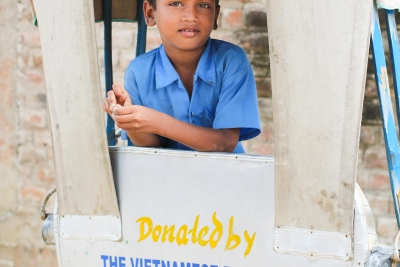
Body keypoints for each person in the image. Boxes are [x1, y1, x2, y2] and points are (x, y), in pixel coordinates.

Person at [102, 0, 260, 153]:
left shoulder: (231, 61)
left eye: (203, 5)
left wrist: (156, 122)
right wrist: (130, 120)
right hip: (168, 176)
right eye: (176, 3)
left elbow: (225, 143)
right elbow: (151, 147)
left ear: (215, 16)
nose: (191, 16)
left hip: (226, 175)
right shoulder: (138, 72)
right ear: (150, 13)